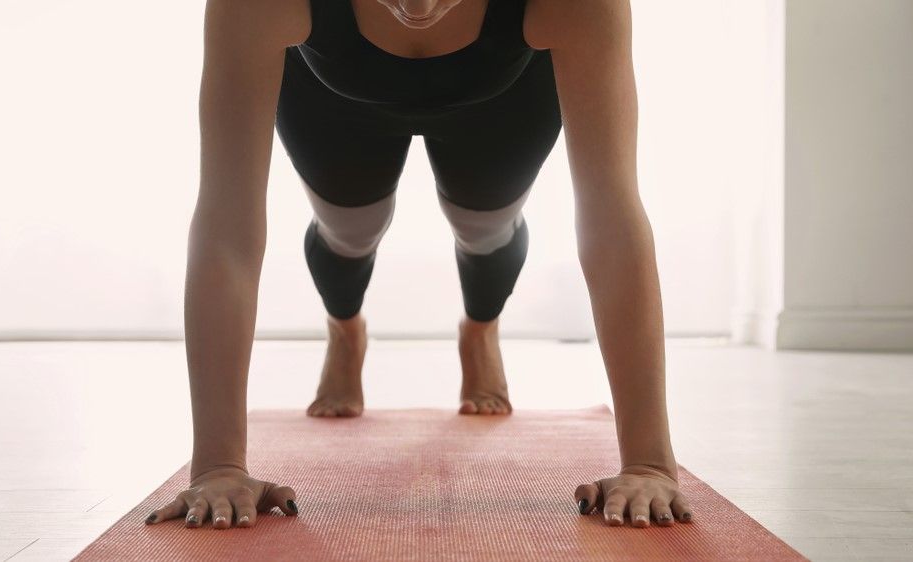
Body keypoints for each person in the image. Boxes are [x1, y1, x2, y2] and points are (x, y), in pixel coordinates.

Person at [145, 0, 694, 532]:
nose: (419, 5)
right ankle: (345, 329)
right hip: (332, 93)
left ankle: (480, 330)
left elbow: (611, 217)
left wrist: (648, 463)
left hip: (503, 93)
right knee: (348, 230)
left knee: (485, 229)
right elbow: (227, 225)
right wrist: (218, 465)